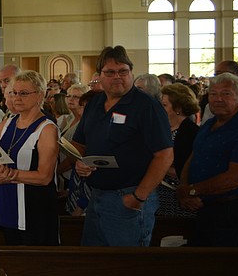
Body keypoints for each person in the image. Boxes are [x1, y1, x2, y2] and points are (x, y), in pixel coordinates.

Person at [72, 46, 173, 246]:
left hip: (129, 197)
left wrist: (138, 197)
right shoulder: (95, 103)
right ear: (99, 76)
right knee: (96, 264)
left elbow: (165, 155)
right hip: (97, 195)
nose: (117, 77)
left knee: (127, 268)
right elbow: (79, 144)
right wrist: (79, 162)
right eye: (110, 72)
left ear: (131, 73)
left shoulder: (146, 106)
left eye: (123, 71)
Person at [175, 73, 238, 246]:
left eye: (226, 94)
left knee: (227, 267)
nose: (218, 99)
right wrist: (184, 187)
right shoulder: (208, 125)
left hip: (233, 211)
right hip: (205, 208)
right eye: (213, 94)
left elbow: (235, 178)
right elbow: (193, 157)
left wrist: (193, 190)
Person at [0, 71, 59, 246]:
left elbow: (44, 177)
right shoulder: (7, 123)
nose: (17, 98)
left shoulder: (47, 128)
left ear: (40, 95)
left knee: (34, 262)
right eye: (14, 93)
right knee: (11, 259)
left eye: (24, 93)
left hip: (34, 207)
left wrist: (9, 174)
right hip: (7, 203)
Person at [156, 83, 200, 217]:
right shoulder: (162, 129)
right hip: (158, 190)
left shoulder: (191, 132)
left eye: (164, 105)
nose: (160, 108)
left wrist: (159, 168)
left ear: (178, 108)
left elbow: (187, 168)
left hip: (177, 192)